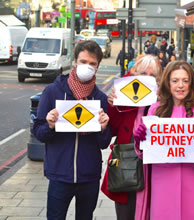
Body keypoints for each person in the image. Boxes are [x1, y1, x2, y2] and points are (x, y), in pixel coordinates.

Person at [32, 40, 112, 220]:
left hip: (89, 175)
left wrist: (103, 128)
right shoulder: (52, 92)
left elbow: (104, 143)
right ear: (74, 62)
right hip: (60, 173)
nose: (87, 67)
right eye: (83, 62)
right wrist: (50, 125)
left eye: (92, 64)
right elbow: (39, 132)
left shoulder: (100, 98)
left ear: (98, 66)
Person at [134, 61, 194, 220]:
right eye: (175, 81)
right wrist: (140, 142)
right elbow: (144, 154)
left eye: (185, 81)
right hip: (163, 183)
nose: (180, 85)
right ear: (167, 83)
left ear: (191, 83)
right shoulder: (155, 109)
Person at [101, 54, 162, 220]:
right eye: (143, 74)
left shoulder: (164, 99)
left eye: (152, 75)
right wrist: (113, 105)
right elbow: (112, 128)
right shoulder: (124, 94)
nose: (147, 79)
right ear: (135, 74)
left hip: (154, 162)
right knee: (126, 212)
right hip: (127, 159)